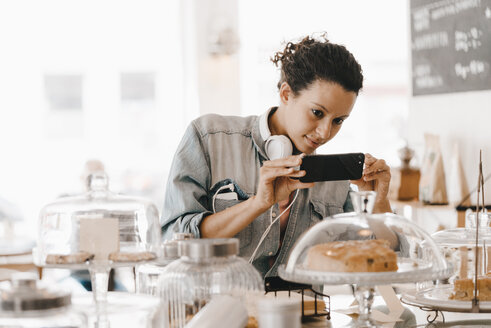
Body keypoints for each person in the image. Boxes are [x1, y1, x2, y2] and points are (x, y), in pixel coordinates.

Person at [161, 34, 395, 278]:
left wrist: (378, 202)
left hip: (306, 313)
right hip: (221, 312)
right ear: (286, 94)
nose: (325, 132)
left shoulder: (335, 178)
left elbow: (383, 258)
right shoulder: (209, 138)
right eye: (317, 112)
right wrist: (256, 204)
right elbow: (173, 243)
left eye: (338, 121)